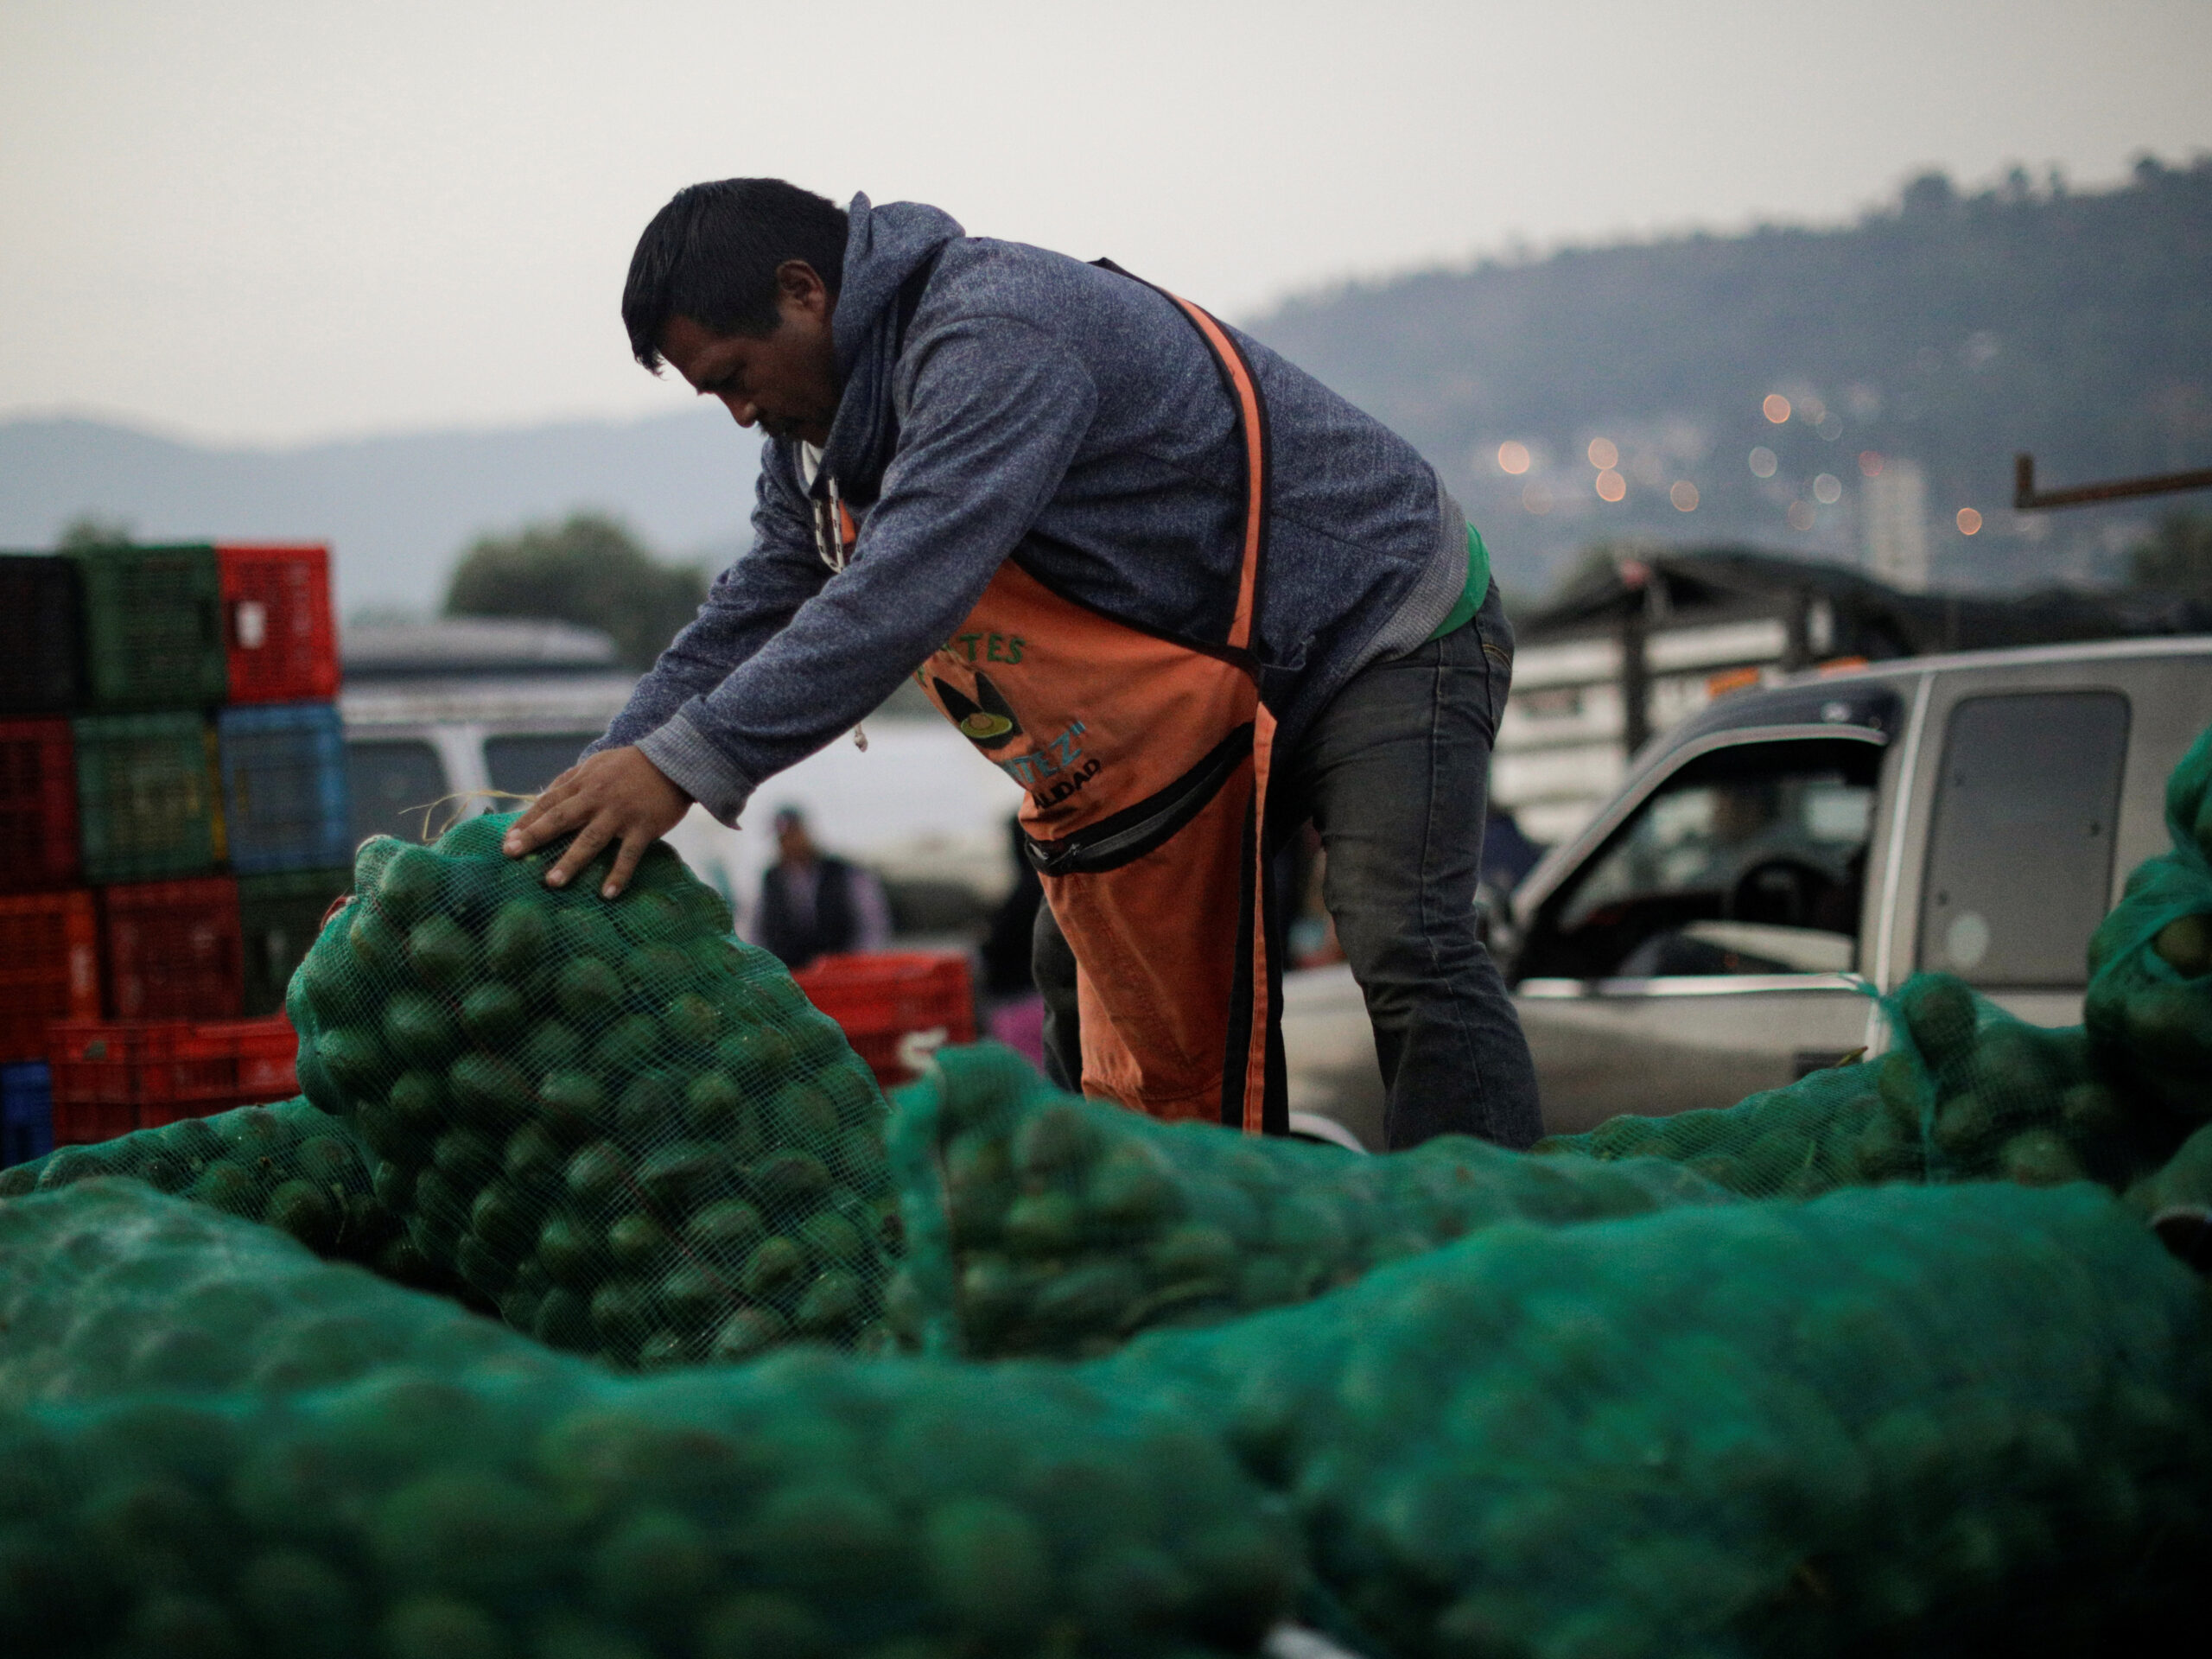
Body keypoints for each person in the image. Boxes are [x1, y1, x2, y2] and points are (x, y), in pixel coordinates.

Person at [504, 178, 1540, 1149]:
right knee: (1083, 968)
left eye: (733, 377)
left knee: (1403, 939)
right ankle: (1145, 1232)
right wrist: (611, 771)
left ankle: (1494, 1240)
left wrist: (686, 766)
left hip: (1374, 629)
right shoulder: (820, 445)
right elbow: (753, 607)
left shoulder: (992, 332)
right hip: (1198, 692)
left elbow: (902, 591)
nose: (739, 414)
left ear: (805, 292)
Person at [748, 805, 891, 969]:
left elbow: (872, 923)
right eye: (783, 838)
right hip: (790, 977)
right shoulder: (770, 879)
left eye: (793, 834)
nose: (788, 842)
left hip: (841, 972)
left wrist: (858, 964)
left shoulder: (844, 872)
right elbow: (756, 931)